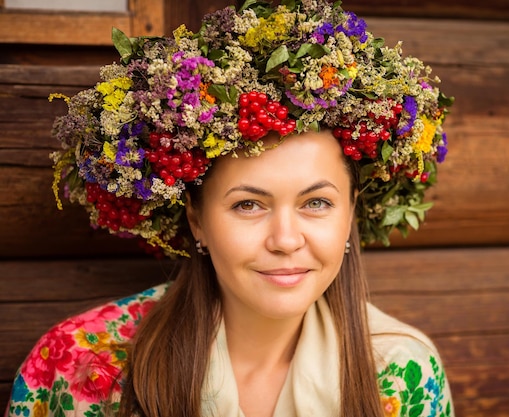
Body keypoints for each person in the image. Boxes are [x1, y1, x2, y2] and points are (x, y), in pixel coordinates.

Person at [6, 1, 454, 416]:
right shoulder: (81, 363)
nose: (285, 240)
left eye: (316, 202)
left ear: (351, 211)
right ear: (196, 218)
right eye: (248, 205)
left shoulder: (400, 371)